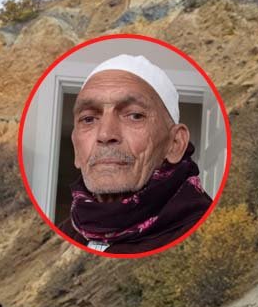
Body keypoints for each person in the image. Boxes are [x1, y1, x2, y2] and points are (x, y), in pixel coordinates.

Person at [57, 54, 209, 254]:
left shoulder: (207, 234)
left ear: (175, 144)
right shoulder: (66, 232)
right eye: (88, 119)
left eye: (135, 116)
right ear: (77, 149)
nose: (105, 135)